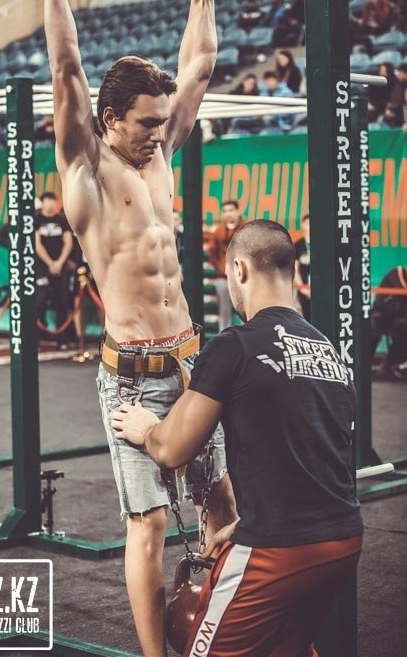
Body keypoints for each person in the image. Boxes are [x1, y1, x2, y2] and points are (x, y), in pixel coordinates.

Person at [43, 0, 236, 656]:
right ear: (109, 120)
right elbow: (66, 67)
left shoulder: (159, 153)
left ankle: (218, 633)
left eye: (162, 121)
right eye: (147, 123)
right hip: (132, 378)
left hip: (191, 363)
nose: (161, 132)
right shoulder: (86, 170)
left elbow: (200, 66)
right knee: (149, 523)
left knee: (223, 506)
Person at [112, 220, 363, 657]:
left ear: (239, 270)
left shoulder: (235, 345)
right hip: (343, 542)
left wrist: (146, 429)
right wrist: (241, 525)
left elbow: (171, 450)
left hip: (277, 551)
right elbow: (309, 462)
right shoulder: (329, 353)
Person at [35, 191, 73, 346]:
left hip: (60, 266)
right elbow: (36, 244)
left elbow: (68, 242)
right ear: (42, 203)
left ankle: (61, 338)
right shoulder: (36, 219)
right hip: (41, 267)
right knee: (39, 301)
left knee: (62, 302)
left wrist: (59, 262)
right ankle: (37, 336)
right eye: (47, 200)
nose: (50, 203)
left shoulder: (61, 220)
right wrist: (50, 263)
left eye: (52, 200)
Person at [207, 200, 245, 330]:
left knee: (246, 311)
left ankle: (247, 339)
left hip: (243, 278)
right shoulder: (218, 231)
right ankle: (224, 339)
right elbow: (212, 252)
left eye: (231, 210)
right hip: (223, 278)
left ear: (238, 211)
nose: (228, 214)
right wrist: (222, 268)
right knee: (224, 312)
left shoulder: (246, 229)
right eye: (225, 211)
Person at [370, 265, 407, 379]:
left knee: (404, 329)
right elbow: (402, 286)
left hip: (397, 318)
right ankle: (364, 363)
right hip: (381, 313)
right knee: (372, 327)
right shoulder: (398, 272)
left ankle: (389, 365)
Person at [294, 213, 311, 321]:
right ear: (303, 225)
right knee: (306, 318)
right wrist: (302, 287)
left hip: (319, 289)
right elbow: (295, 268)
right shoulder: (298, 245)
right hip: (304, 290)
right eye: (308, 223)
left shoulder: (322, 245)